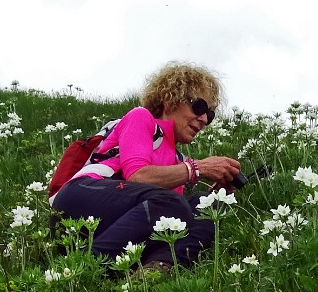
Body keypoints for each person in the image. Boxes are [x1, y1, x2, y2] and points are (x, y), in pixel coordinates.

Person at [51, 62, 241, 270]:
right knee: (173, 203)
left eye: (210, 115)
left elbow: (159, 213)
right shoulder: (141, 118)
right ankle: (86, 270)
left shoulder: (177, 161)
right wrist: (197, 169)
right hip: (81, 197)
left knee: (205, 204)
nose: (204, 119)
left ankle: (158, 269)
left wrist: (218, 194)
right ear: (171, 99)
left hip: (112, 224)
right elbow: (138, 176)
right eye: (199, 107)